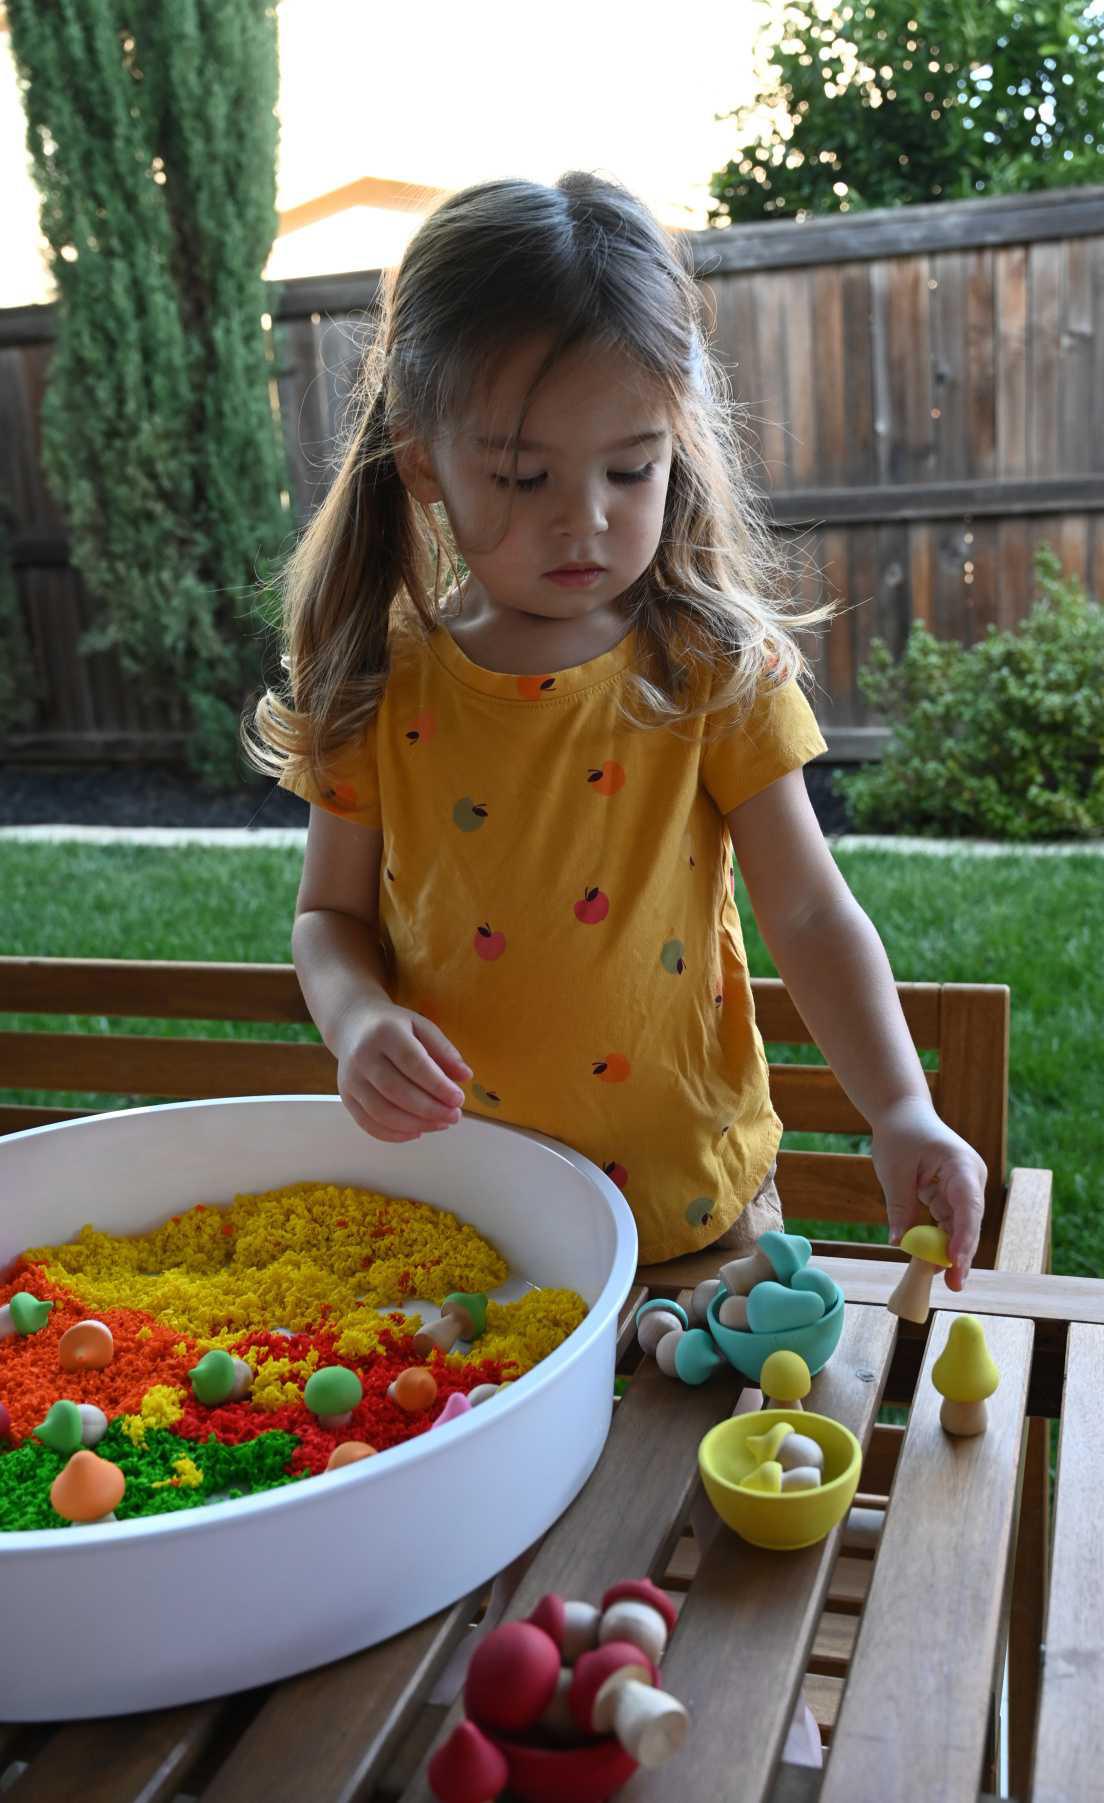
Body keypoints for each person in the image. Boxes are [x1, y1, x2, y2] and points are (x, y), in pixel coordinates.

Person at [249, 171, 985, 1280]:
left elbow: (810, 909)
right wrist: (356, 1021)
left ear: (675, 446)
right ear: (423, 461)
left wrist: (898, 1108)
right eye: (522, 473)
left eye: (630, 467)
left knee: (708, 1456)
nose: (584, 517)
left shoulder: (707, 671)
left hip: (698, 1219)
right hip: (478, 1226)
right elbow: (328, 919)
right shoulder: (380, 683)